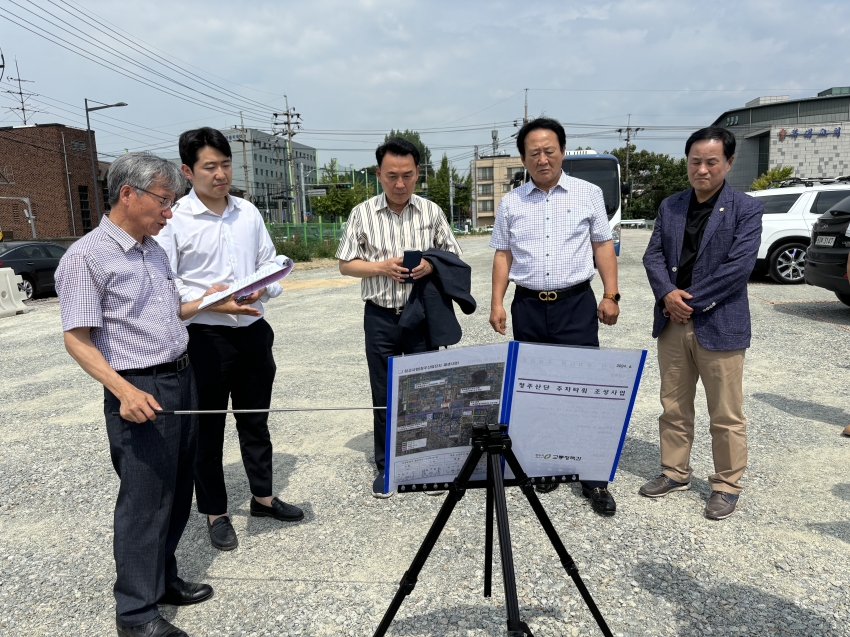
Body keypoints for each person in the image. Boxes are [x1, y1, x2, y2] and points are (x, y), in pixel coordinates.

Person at [56, 152, 222, 637]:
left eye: (172, 202)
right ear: (128, 193)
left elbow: (171, 312)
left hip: (180, 378)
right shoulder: (86, 257)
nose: (169, 212)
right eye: (164, 201)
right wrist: (122, 390)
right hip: (139, 387)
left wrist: (217, 299)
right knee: (145, 500)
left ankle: (162, 579)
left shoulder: (152, 248)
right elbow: (76, 338)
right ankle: (135, 614)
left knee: (177, 491)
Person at [155, 128, 303, 552]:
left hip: (253, 331)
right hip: (204, 337)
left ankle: (263, 498)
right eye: (209, 167)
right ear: (188, 171)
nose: (220, 174)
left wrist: (263, 287)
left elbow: (270, 263)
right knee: (208, 427)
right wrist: (211, 302)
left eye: (225, 164)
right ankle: (216, 513)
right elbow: (167, 281)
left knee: (255, 419)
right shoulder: (175, 219)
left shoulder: (247, 213)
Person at [488, 117, 621, 517]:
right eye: (534, 153)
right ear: (523, 158)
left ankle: (593, 477)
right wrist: (497, 301)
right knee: (536, 390)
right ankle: (545, 463)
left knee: (585, 388)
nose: (543, 159)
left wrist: (610, 294)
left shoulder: (588, 194)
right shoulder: (511, 202)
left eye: (549, 151)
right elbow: (502, 254)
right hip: (527, 305)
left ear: (562, 151)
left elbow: (603, 246)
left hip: (575, 304)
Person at [641, 126, 763, 520]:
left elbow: (738, 268)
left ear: (728, 162)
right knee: (673, 405)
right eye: (696, 161)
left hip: (719, 321)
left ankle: (726, 485)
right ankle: (674, 472)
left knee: (725, 412)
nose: (703, 169)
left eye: (712, 162)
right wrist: (666, 295)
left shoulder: (745, 209)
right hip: (672, 320)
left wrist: (688, 301)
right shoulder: (671, 206)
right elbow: (653, 256)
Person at [336, 137, 462, 498]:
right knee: (384, 393)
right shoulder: (362, 213)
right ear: (378, 174)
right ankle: (388, 464)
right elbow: (346, 264)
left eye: (407, 175)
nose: (400, 183)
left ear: (417, 173)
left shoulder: (431, 211)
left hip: (421, 314)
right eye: (391, 175)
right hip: (380, 316)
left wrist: (429, 265)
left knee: (430, 390)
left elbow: (452, 255)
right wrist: (380, 267)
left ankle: (428, 461)